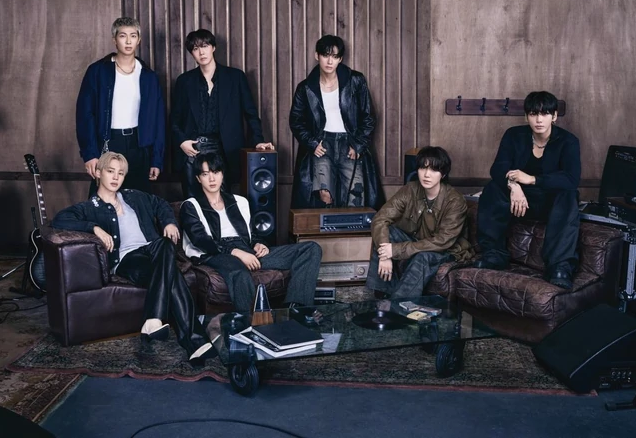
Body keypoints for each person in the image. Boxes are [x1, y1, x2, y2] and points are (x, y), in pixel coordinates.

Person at [50, 152, 217, 365]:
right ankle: (192, 340)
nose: (115, 177)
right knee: (171, 272)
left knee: (165, 245)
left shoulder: (134, 197)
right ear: (98, 173)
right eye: (110, 171)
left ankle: (154, 321)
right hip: (127, 261)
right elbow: (59, 220)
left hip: (154, 253)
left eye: (120, 173)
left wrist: (169, 222)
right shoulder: (89, 208)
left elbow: (161, 204)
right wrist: (94, 227)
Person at [180, 152, 323, 315]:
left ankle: (296, 309)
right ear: (198, 178)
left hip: (244, 249)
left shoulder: (239, 201)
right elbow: (201, 240)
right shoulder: (191, 206)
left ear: (222, 174)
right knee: (239, 272)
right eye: (205, 174)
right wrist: (236, 252)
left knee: (310, 249)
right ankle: (249, 323)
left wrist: (258, 243)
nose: (212, 179)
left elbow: (251, 234)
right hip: (215, 252)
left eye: (215, 172)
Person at [472, 91, 581, 290]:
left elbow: (571, 179)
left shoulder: (568, 141)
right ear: (526, 116)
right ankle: (494, 254)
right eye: (533, 114)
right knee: (492, 189)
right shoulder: (514, 135)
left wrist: (532, 179)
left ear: (554, 116)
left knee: (568, 195)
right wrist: (513, 186)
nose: (539, 120)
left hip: (550, 204)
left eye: (545, 114)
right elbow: (498, 168)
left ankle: (560, 266)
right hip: (519, 202)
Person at [170, 29, 274, 197]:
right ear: (192, 53)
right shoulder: (185, 81)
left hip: (224, 148)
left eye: (205, 46)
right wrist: (182, 141)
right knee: (193, 201)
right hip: (192, 148)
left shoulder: (235, 77)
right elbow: (174, 119)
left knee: (223, 200)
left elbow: (251, 114)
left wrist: (258, 141)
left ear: (213, 47)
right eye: (196, 48)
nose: (201, 52)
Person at [365, 146, 474, 298]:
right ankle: (381, 298)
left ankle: (397, 305)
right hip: (418, 241)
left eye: (434, 170)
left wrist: (396, 250)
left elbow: (443, 241)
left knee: (423, 257)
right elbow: (380, 218)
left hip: (447, 250)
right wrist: (385, 255)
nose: (427, 174)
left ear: (443, 174)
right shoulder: (410, 189)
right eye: (423, 168)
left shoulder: (455, 200)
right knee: (388, 233)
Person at [75, 17, 166, 196]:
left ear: (139, 40)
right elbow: (85, 114)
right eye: (123, 36)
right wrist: (90, 153)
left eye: (133, 36)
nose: (128, 41)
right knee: (103, 199)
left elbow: (158, 120)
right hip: (109, 141)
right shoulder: (97, 72)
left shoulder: (148, 76)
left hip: (139, 144)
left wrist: (157, 159)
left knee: (139, 200)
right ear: (114, 40)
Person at [289, 34, 382, 209]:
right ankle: (326, 228)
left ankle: (353, 229)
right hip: (322, 143)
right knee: (323, 196)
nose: (330, 61)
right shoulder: (306, 87)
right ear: (317, 56)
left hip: (349, 143)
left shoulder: (355, 81)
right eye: (325, 55)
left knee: (356, 196)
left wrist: (359, 144)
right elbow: (296, 120)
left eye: (335, 56)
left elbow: (368, 116)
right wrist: (312, 143)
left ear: (340, 59)